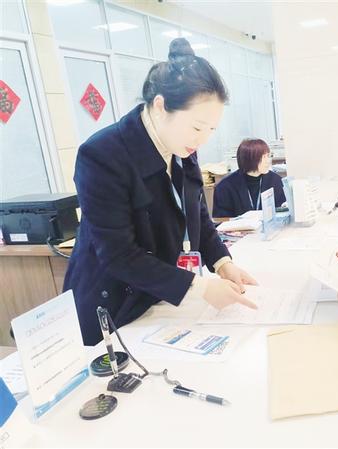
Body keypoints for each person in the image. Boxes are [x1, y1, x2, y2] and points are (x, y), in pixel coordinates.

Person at [64, 38, 258, 346]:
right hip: (114, 306)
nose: (202, 140)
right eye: (197, 127)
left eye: (211, 130)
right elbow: (118, 254)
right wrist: (200, 288)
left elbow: (196, 212)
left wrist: (223, 263)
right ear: (159, 106)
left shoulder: (181, 145)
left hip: (159, 296)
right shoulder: (102, 155)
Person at [212, 138, 286, 218]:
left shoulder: (275, 180)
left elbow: (282, 211)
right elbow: (221, 219)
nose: (268, 161)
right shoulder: (225, 186)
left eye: (268, 156)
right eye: (263, 157)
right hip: (239, 226)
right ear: (249, 159)